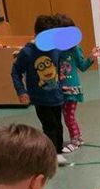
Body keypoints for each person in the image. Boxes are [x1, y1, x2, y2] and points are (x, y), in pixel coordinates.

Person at [11, 15, 72, 166]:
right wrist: (21, 91)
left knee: (58, 124)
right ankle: (54, 154)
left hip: (57, 96)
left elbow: (58, 68)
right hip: (40, 98)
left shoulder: (56, 50)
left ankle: (57, 149)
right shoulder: (27, 53)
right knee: (49, 126)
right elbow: (15, 71)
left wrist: (62, 84)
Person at [55, 13, 100, 148]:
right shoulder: (55, 50)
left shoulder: (75, 49)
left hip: (71, 89)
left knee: (69, 116)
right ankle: (76, 137)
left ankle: (76, 138)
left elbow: (82, 66)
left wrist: (92, 57)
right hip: (59, 88)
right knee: (64, 116)